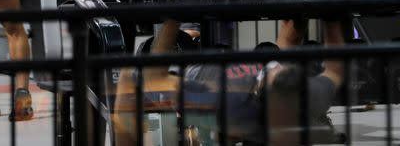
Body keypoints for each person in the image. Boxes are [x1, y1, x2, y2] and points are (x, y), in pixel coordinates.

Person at [113, 18, 345, 145]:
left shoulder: (228, 107)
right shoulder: (311, 94)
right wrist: (330, 16)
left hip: (195, 72)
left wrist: (174, 16)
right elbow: (335, 68)